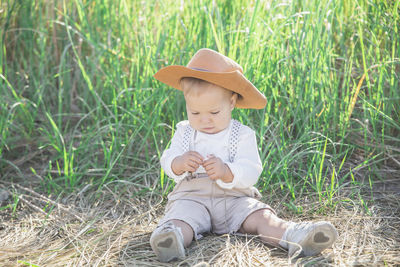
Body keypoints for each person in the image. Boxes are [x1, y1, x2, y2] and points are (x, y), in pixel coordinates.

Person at [150, 48, 338, 262]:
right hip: (193, 197)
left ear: (231, 103)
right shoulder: (184, 131)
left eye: (214, 112)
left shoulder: (242, 134)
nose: (204, 120)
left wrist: (227, 171)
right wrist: (179, 163)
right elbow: (168, 158)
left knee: (261, 217)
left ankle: (296, 235)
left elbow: (251, 170)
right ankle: (170, 239)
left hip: (234, 198)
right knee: (182, 217)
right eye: (195, 112)